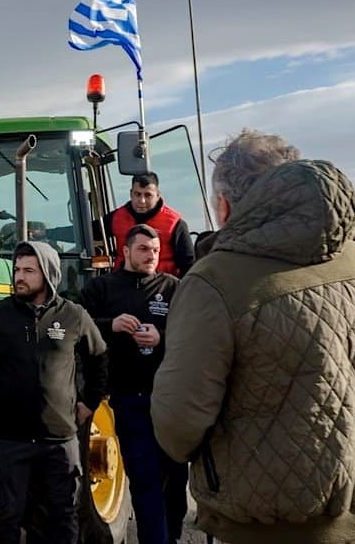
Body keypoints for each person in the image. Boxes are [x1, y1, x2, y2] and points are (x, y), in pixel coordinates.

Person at [152, 129, 355, 544]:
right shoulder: (349, 255)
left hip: (262, 521)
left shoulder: (215, 280)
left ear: (224, 206)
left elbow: (178, 424)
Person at [0, 240, 107, 544]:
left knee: (64, 515)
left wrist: (90, 402)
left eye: (29, 270)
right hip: (11, 439)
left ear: (49, 273)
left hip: (60, 440)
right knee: (8, 515)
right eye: (17, 269)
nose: (19, 277)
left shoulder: (74, 315)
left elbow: (100, 359)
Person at [79, 224, 187, 544]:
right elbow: (73, 327)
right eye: (143, 249)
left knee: (177, 481)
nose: (150, 256)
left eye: (155, 250)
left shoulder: (173, 288)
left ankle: (173, 535)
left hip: (169, 400)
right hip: (125, 399)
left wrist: (161, 337)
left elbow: (194, 336)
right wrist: (109, 325)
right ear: (125, 251)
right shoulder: (101, 290)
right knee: (145, 480)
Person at [105, 172, 194, 277]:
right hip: (122, 285)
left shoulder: (175, 224)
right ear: (131, 194)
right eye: (137, 194)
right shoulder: (115, 218)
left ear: (157, 195)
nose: (142, 201)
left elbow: (188, 264)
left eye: (148, 195)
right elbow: (85, 233)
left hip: (162, 286)